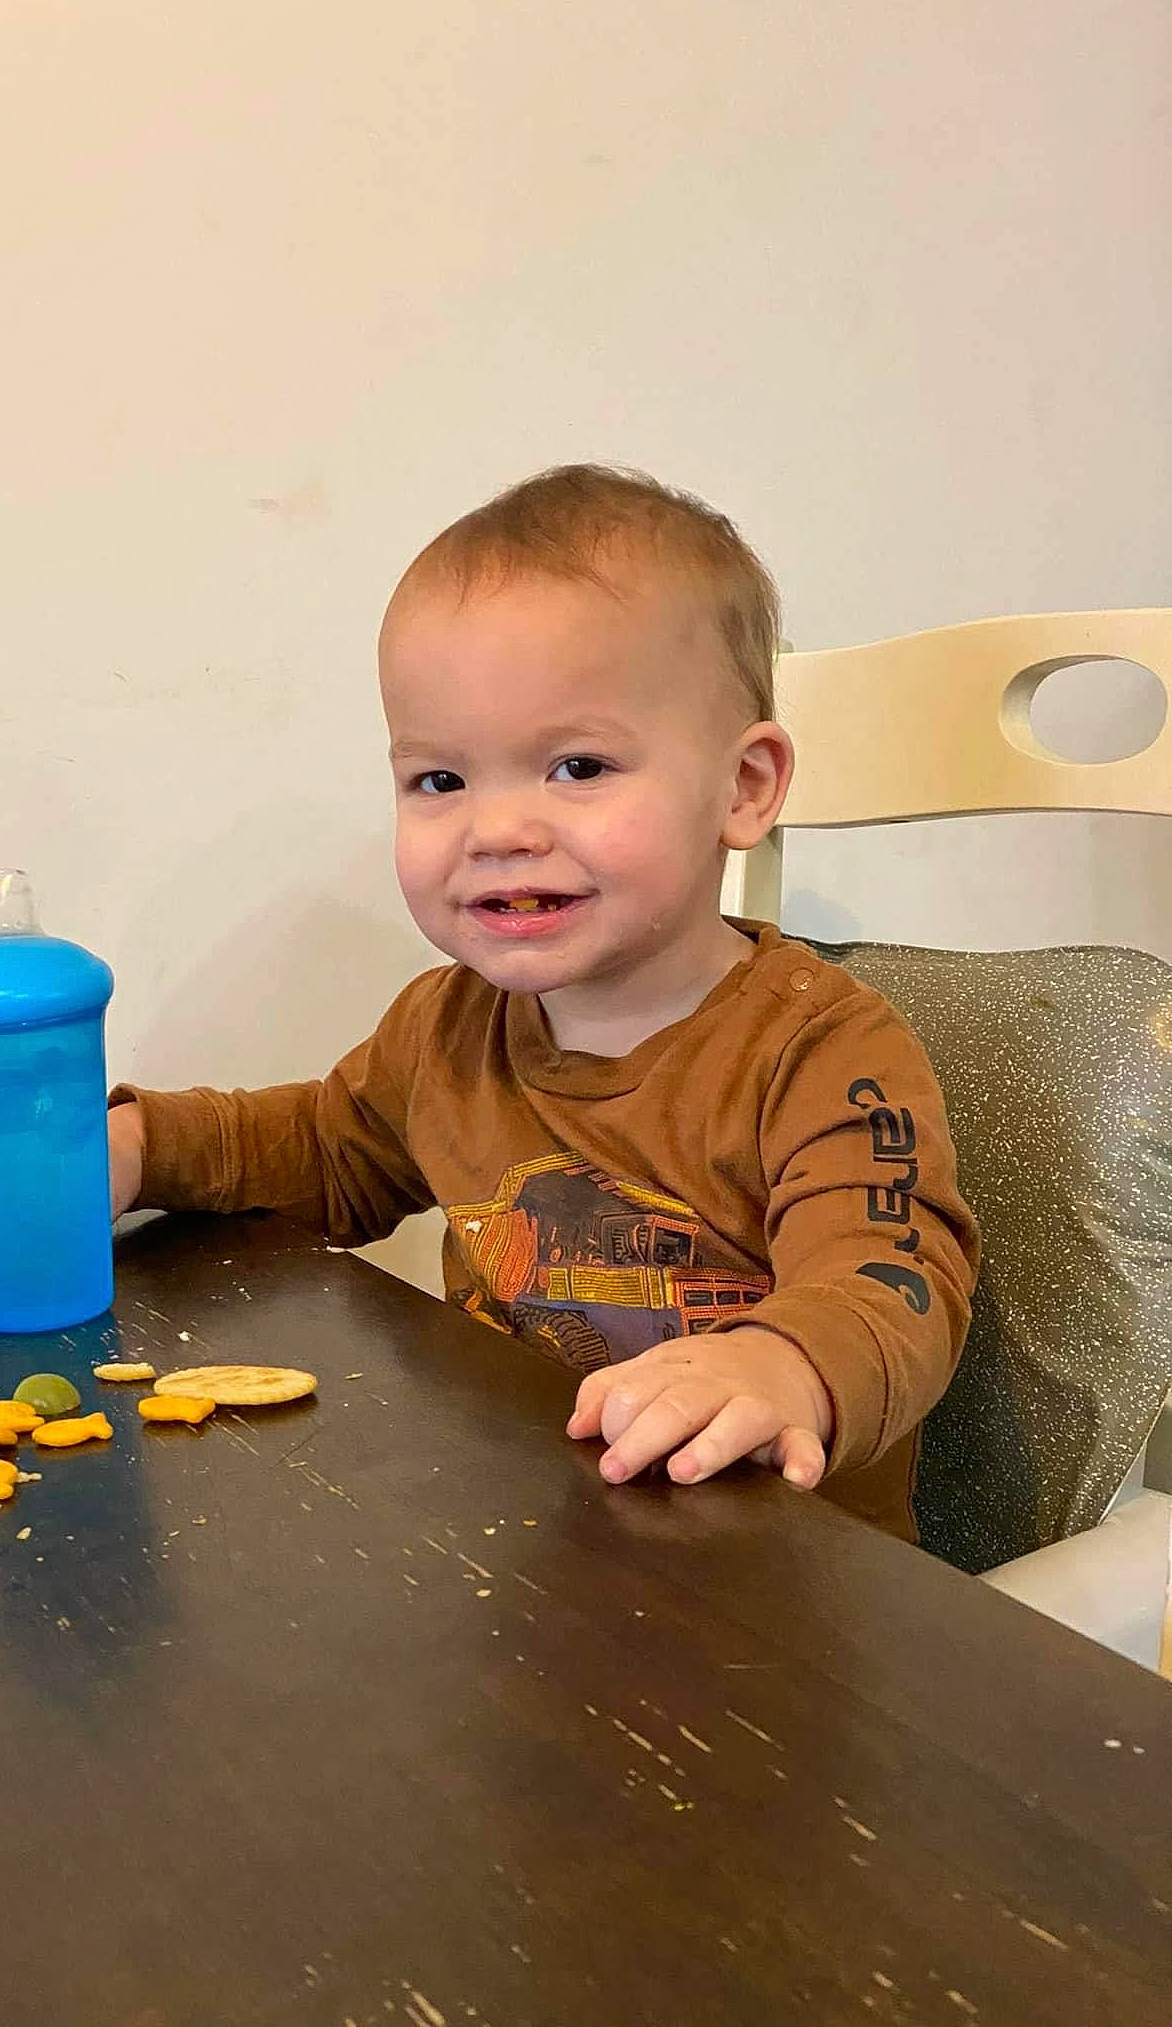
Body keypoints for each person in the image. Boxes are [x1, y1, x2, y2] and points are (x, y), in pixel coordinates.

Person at [107, 464, 979, 1540]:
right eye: (440, 780)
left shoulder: (821, 1051)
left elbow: (891, 1276)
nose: (498, 829)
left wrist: (784, 1363)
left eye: (577, 766)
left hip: (773, 1575)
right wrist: (139, 1146)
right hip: (523, 1535)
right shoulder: (446, 1028)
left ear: (744, 786)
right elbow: (326, 1149)